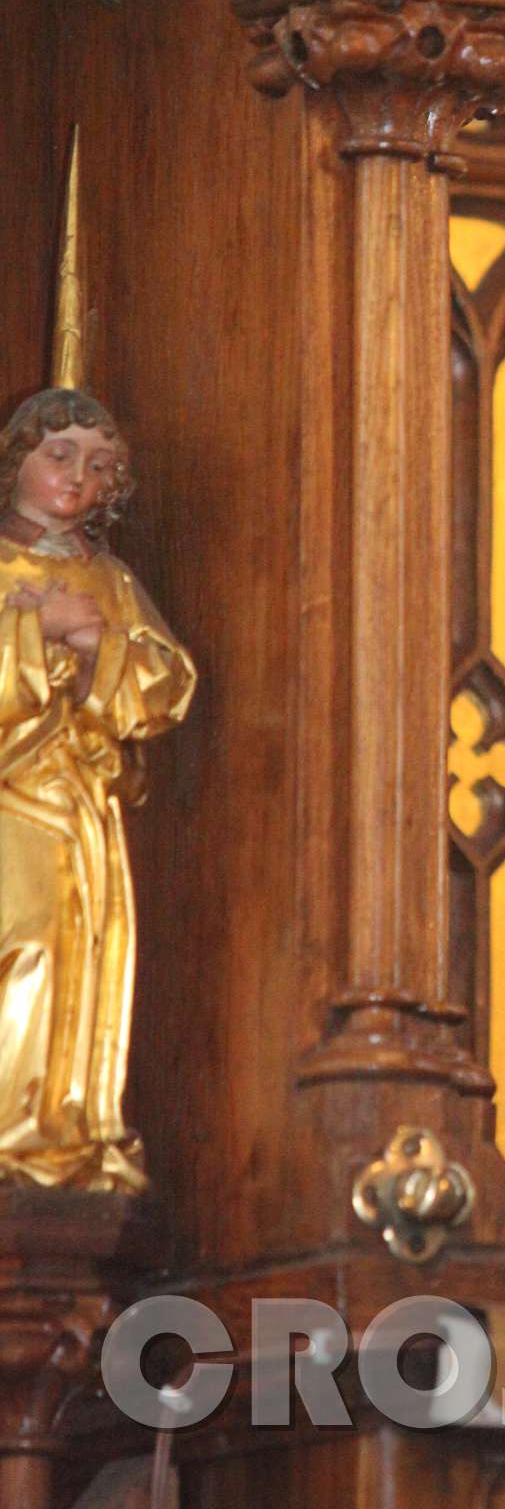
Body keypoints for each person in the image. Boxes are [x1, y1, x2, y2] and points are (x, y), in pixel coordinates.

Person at [0, 387, 195, 1189]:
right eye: (60, 456)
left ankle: (61, 1134)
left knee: (81, 950)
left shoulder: (108, 578)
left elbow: (165, 686)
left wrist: (94, 647)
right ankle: (10, 1130)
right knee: (26, 942)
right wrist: (34, 630)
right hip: (12, 800)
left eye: (99, 465)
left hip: (83, 806)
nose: (78, 477)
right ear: (16, 461)